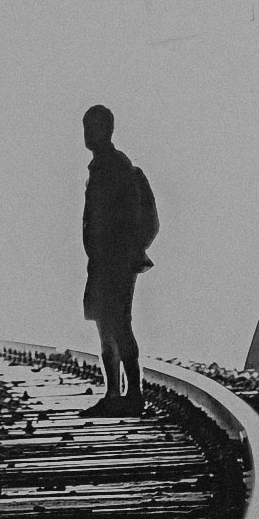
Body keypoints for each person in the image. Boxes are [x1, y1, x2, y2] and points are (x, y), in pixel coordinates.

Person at [79, 104, 158, 411]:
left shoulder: (116, 168)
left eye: (92, 127)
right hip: (102, 260)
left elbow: (127, 217)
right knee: (105, 323)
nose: (87, 134)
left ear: (107, 130)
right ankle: (115, 394)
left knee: (118, 324)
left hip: (115, 260)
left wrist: (125, 251)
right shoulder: (100, 167)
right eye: (85, 127)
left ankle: (132, 394)